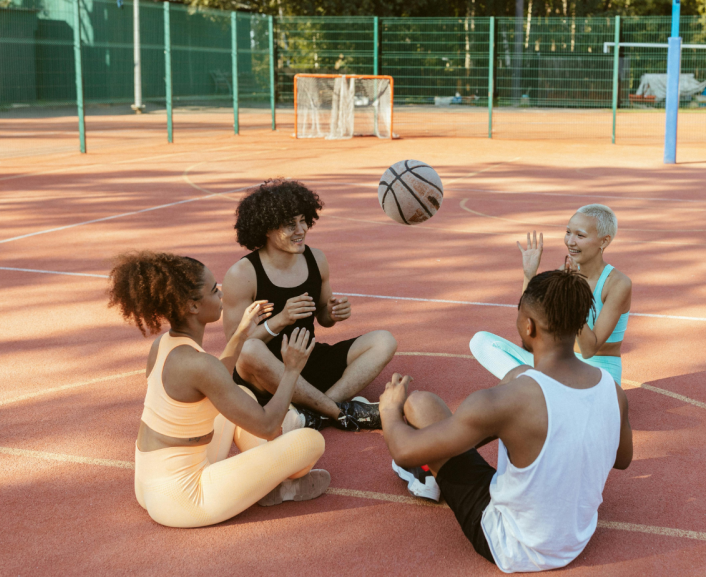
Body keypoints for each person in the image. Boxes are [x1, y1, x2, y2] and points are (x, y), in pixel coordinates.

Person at [380, 270, 633, 572]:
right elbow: (622, 459)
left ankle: (427, 474)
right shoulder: (612, 390)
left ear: (528, 326)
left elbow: (403, 449)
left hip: (512, 544)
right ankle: (435, 466)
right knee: (428, 404)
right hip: (575, 538)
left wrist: (390, 410)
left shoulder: (510, 402)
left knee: (414, 404)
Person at [108, 251, 329, 529]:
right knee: (309, 442)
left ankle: (267, 481)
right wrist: (291, 370)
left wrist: (241, 333)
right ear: (192, 307)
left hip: (148, 480)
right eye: (214, 290)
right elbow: (269, 426)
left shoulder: (164, 345)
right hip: (183, 498)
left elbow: (215, 382)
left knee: (243, 396)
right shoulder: (199, 364)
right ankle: (277, 484)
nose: (221, 294)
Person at [222, 179, 397, 431]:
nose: (300, 229)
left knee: (384, 340)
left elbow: (324, 318)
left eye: (303, 220)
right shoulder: (243, 274)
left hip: (306, 360)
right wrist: (280, 319)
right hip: (265, 372)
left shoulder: (316, 259)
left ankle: (317, 413)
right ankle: (339, 412)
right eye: (289, 225)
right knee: (250, 351)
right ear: (266, 230)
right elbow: (234, 348)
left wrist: (334, 312)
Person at [470, 204, 631, 384]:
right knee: (481, 341)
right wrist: (529, 275)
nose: (570, 241)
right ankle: (538, 387)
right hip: (560, 365)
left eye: (580, 235)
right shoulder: (565, 273)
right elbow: (529, 321)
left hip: (598, 375)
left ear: (604, 241)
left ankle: (535, 389)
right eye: (568, 232)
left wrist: (570, 295)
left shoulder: (618, 284)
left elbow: (588, 349)